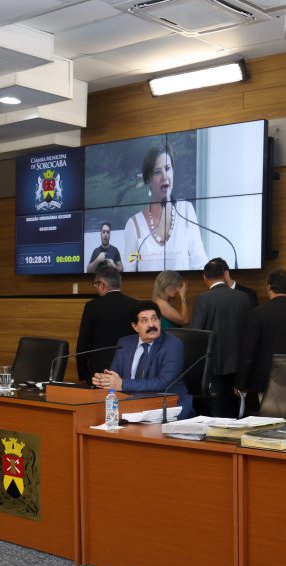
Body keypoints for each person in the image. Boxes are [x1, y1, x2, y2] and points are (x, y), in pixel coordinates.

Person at [92, 301, 194, 417]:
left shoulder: (173, 345)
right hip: (131, 406)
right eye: (144, 321)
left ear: (159, 321)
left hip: (167, 407)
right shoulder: (125, 343)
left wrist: (122, 384)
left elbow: (163, 382)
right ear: (135, 326)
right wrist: (106, 380)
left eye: (154, 319)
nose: (151, 325)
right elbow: (115, 376)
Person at [235, 268, 286, 412]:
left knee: (269, 422)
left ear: (268, 287)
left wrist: (241, 384)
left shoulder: (258, 314)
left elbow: (248, 353)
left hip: (266, 383)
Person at [123, 143, 207, 272]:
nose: (164, 177)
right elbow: (130, 266)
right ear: (148, 180)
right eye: (157, 172)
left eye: (167, 168)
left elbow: (199, 262)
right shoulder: (135, 226)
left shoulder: (186, 212)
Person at [190, 258, 251, 417]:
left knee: (216, 414)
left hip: (213, 367)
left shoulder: (203, 298)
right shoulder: (243, 298)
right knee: (234, 413)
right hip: (238, 367)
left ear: (204, 277)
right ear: (224, 275)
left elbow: (195, 334)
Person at [76, 262, 138, 384]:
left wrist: (82, 374)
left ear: (102, 285)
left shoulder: (92, 307)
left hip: (98, 373)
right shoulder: (136, 305)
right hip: (128, 372)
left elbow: (82, 346)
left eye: (95, 284)